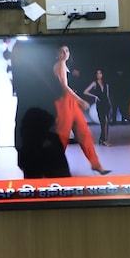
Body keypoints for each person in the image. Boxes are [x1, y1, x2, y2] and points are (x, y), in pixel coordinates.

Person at [53, 46, 110, 174]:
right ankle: (54, 167)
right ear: (57, 53)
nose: (65, 53)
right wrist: (80, 100)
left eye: (67, 51)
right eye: (62, 51)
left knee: (84, 133)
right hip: (64, 103)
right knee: (62, 136)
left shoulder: (65, 65)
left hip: (71, 103)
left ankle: (96, 164)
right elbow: (64, 87)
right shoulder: (60, 65)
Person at [84, 69, 112, 146]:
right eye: (97, 73)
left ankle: (102, 139)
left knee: (106, 122)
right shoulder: (94, 83)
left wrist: (110, 105)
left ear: (103, 74)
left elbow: (108, 96)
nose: (98, 75)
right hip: (100, 104)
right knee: (103, 122)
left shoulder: (106, 84)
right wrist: (95, 96)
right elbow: (85, 92)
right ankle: (104, 140)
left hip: (107, 103)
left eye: (100, 73)